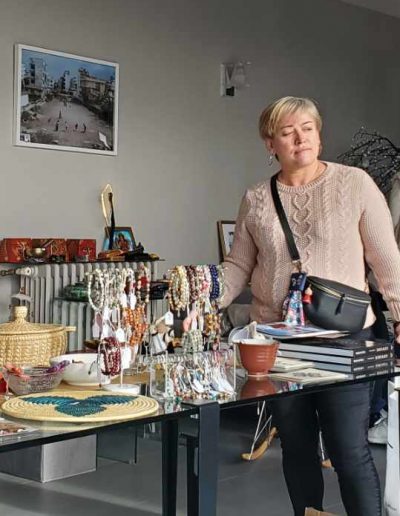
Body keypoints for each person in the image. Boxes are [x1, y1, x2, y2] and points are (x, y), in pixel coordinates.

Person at [220, 96, 400, 516]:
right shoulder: (256, 198)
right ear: (271, 144)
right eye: (287, 132)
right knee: (297, 447)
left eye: (308, 128)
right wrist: (206, 299)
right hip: (279, 345)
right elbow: (239, 264)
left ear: (319, 135)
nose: (300, 138)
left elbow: (387, 261)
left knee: (348, 450)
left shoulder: (354, 184)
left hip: (344, 340)